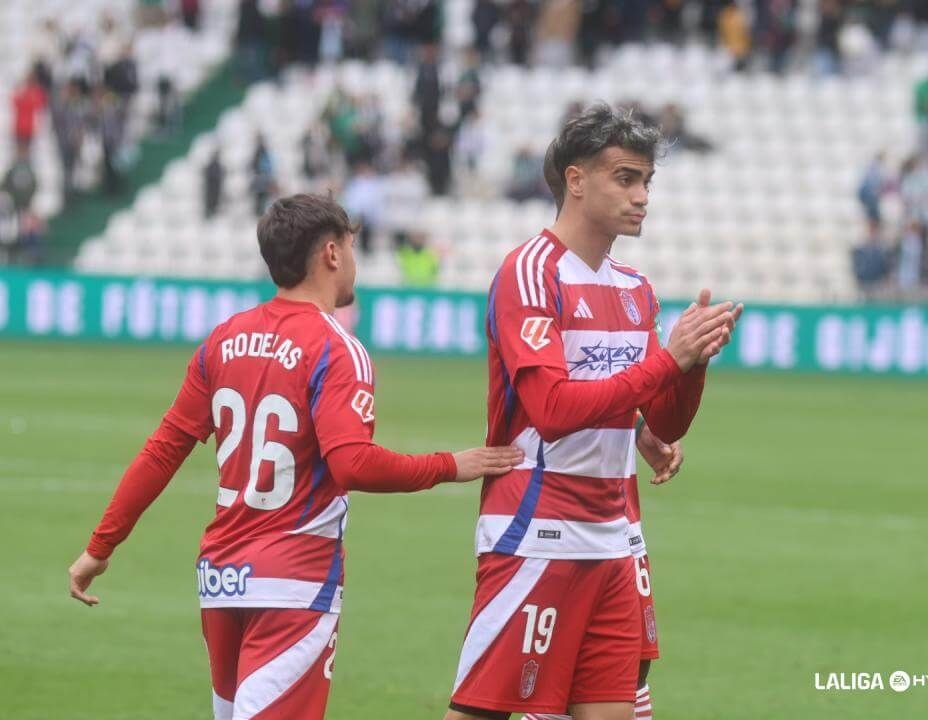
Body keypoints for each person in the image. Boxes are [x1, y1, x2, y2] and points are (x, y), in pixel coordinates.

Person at [68, 194, 524, 720]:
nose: (354, 261)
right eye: (351, 248)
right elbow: (353, 464)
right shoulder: (336, 348)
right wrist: (449, 465)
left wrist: (100, 547)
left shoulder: (223, 339)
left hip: (222, 581)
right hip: (293, 582)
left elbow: (162, 451)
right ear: (331, 253)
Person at [444, 104, 740, 720]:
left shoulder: (634, 287)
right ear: (576, 180)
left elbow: (664, 422)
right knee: (484, 710)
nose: (642, 197)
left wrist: (693, 364)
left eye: (646, 182)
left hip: (612, 536)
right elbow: (552, 410)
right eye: (625, 178)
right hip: (536, 531)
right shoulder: (531, 273)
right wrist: (668, 361)